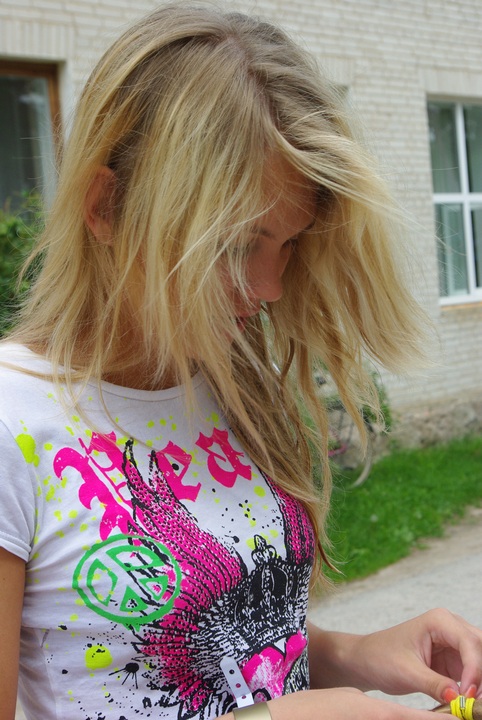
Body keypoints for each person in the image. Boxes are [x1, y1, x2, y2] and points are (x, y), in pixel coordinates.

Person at [0, 3, 481, 720]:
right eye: (234, 245)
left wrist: (354, 654)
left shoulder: (226, 380)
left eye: (288, 244)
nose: (270, 287)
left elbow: (207, 652)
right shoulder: (13, 420)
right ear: (106, 206)